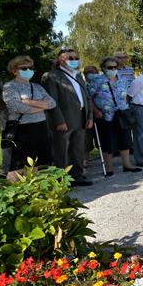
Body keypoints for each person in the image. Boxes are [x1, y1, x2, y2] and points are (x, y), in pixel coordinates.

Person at [44, 48, 94, 186]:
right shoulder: (52, 76)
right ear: (61, 60)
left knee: (78, 148)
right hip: (64, 119)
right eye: (70, 58)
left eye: (75, 58)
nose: (74, 60)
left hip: (81, 117)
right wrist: (59, 120)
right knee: (61, 150)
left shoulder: (78, 75)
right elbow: (52, 101)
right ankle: (61, 180)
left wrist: (89, 116)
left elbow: (86, 97)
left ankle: (76, 176)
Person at [2, 56, 55, 180]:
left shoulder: (37, 87)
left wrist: (28, 101)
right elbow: (16, 107)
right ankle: (13, 194)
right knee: (19, 166)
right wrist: (42, 106)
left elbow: (52, 103)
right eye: (24, 68)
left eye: (30, 68)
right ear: (14, 71)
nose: (28, 70)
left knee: (35, 162)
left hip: (40, 126)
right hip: (22, 129)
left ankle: (31, 191)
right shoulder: (10, 86)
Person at [87, 57, 142, 176]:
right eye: (109, 67)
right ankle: (109, 167)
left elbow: (127, 94)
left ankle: (127, 165)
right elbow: (89, 97)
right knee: (107, 141)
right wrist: (96, 111)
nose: (113, 69)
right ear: (103, 68)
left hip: (122, 113)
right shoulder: (97, 80)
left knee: (125, 139)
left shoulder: (122, 80)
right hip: (105, 115)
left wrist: (127, 106)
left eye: (115, 67)